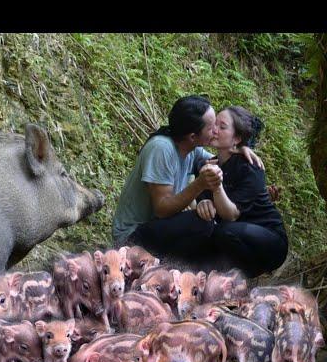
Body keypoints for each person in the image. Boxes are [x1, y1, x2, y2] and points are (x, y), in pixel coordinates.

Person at [111, 95, 262, 265]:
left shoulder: (191, 149)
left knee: (216, 228)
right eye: (211, 127)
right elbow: (162, 209)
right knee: (201, 223)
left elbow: (221, 164)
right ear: (192, 136)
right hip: (132, 236)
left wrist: (241, 147)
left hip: (156, 228)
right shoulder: (161, 148)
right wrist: (199, 185)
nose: (215, 131)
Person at [195, 106, 288, 277]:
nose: (214, 130)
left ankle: (244, 278)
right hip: (235, 234)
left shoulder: (250, 168)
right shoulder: (206, 163)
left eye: (222, 127)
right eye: (214, 124)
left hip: (269, 239)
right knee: (204, 231)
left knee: (223, 231)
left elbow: (230, 215)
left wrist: (216, 184)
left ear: (236, 138)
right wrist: (203, 201)